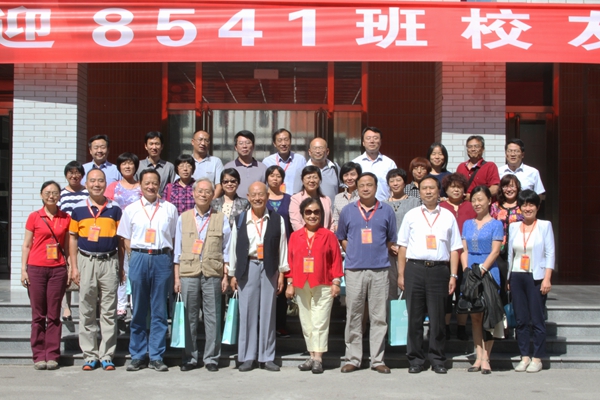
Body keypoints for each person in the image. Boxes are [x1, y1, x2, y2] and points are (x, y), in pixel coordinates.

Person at [397, 175, 461, 374]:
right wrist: (401, 274)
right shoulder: (412, 215)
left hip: (439, 270)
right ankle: (415, 359)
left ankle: (437, 359)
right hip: (414, 269)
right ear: (420, 192)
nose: (428, 191)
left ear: (438, 191)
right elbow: (402, 247)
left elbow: (455, 249)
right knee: (414, 318)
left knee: (438, 318)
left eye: (432, 188)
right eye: (424, 188)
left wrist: (453, 275)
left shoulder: (448, 216)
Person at [117, 169, 178, 372]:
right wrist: (134, 257)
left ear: (160, 185)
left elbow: (174, 237)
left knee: (159, 310)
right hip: (139, 257)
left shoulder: (169, 209)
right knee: (139, 310)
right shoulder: (131, 209)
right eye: (147, 183)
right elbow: (125, 237)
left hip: (162, 258)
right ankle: (137, 355)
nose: (151, 186)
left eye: (154, 183)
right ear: (140, 185)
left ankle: (156, 356)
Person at [336, 172, 397, 374]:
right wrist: (354, 252)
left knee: (379, 316)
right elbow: (342, 237)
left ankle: (377, 359)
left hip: (380, 269)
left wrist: (376, 252)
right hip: (354, 269)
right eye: (361, 185)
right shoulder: (348, 210)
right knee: (354, 314)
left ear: (376, 187)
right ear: (357, 187)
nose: (365, 188)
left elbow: (391, 238)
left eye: (369, 185)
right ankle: (353, 358)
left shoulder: (386, 210)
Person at [228, 182, 289, 372]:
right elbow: (233, 246)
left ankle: (267, 356)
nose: (257, 198)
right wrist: (232, 273)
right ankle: (247, 356)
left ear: (267, 196)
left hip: (270, 267)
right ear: (248, 196)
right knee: (247, 312)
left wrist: (282, 273)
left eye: (261, 194)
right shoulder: (240, 219)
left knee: (268, 313)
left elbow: (282, 247)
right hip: (247, 266)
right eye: (253, 195)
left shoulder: (277, 219)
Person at [173, 178, 231, 372]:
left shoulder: (221, 218)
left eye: (207, 191)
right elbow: (177, 250)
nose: (203, 195)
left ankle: (211, 358)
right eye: (200, 191)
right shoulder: (183, 218)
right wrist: (176, 278)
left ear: (213, 195)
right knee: (189, 316)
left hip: (212, 271)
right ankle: (189, 357)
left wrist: (226, 275)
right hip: (188, 272)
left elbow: (227, 249)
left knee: (213, 316)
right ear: (193, 193)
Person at [69, 169, 124, 371]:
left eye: (100, 181)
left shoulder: (115, 208)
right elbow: (73, 238)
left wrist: (121, 266)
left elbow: (121, 241)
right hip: (86, 261)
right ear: (86, 184)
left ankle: (107, 355)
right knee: (87, 309)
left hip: (109, 261)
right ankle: (90, 355)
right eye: (92, 181)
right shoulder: (78, 209)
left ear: (105, 183)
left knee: (109, 310)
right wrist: (74, 267)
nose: (96, 184)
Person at [285, 197, 344, 374]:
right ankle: (311, 355)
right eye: (308, 212)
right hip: (301, 283)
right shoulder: (295, 236)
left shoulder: (329, 235)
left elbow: (336, 260)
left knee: (320, 321)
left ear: (321, 214)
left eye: (316, 212)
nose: (312, 215)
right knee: (306, 321)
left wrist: (336, 282)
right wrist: (290, 283)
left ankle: (318, 358)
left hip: (323, 283)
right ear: (302, 215)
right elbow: (290, 261)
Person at [21, 181, 71, 370]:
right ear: (41, 194)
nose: (51, 196)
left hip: (57, 269)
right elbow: (26, 244)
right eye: (48, 192)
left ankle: (52, 355)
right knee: (38, 315)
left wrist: (70, 268)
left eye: (55, 192)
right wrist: (23, 269)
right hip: (36, 269)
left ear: (60, 195)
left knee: (54, 314)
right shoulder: (34, 217)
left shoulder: (65, 217)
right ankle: (38, 355)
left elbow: (67, 247)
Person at [507, 190, 555, 373]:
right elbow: (511, 254)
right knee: (521, 319)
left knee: (537, 319)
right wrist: (509, 278)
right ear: (520, 208)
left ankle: (537, 358)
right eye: (524, 205)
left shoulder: (544, 225)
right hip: (517, 275)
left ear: (537, 207)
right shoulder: (514, 226)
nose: (527, 208)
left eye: (531, 205)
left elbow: (550, 253)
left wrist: (547, 278)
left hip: (536, 277)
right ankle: (524, 356)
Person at [461, 185, 504, 375]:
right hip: (471, 272)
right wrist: (466, 270)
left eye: (480, 199)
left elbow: (496, 251)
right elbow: (464, 250)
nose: (477, 203)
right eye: (474, 200)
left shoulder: (496, 224)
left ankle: (487, 357)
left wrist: (483, 269)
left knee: (489, 313)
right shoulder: (467, 224)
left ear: (489, 201)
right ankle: (478, 356)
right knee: (475, 315)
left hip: (489, 271)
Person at [104, 152, 142, 321]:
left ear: (136, 166)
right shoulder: (113, 186)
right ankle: (121, 305)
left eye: (130, 163)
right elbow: (106, 207)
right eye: (124, 163)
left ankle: (134, 302)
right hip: (118, 232)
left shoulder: (141, 186)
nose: (127, 166)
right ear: (119, 167)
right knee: (121, 268)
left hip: (138, 234)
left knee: (134, 268)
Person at [439, 173, 476, 341]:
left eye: (459, 187)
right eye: (452, 187)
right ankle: (445, 326)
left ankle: (461, 327)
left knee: (464, 292)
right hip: (445, 257)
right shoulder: (440, 207)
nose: (456, 190)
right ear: (446, 189)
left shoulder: (471, 206)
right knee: (446, 294)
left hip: (467, 256)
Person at [57, 161, 88, 322]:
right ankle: (66, 308)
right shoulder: (61, 194)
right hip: (65, 238)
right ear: (66, 175)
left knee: (83, 273)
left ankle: (85, 308)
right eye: (71, 172)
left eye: (77, 172)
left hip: (84, 238)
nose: (74, 175)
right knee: (65, 272)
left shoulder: (88, 193)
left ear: (82, 175)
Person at [265, 165, 293, 338]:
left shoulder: (289, 199)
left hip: (285, 247)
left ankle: (281, 325)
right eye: (272, 175)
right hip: (265, 248)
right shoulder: (262, 197)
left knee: (281, 288)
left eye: (278, 176)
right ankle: (266, 326)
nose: (275, 178)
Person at [384, 168, 419, 301]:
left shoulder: (414, 202)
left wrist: (404, 247)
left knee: (407, 285)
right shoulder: (383, 204)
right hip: (389, 251)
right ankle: (391, 313)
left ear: (404, 182)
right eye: (392, 181)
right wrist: (390, 245)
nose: (395, 183)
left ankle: (408, 313)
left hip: (409, 251)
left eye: (398, 180)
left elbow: (417, 226)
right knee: (390, 285)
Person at [490, 175, 524, 304]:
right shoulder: (495, 206)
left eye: (512, 186)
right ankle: (502, 309)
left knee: (516, 280)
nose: (509, 189)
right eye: (505, 186)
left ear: (518, 187)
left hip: (519, 249)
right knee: (502, 279)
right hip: (500, 250)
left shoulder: (522, 206)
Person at [352, 127, 397, 201]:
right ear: (363, 142)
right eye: (368, 138)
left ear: (380, 142)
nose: (372, 141)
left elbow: (395, 186)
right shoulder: (355, 163)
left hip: (384, 204)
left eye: (375, 138)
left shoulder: (389, 163)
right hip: (360, 205)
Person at [294, 138, 340, 206]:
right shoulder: (301, 171)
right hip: (310, 211)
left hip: (331, 212)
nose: (318, 151)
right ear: (309, 152)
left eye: (321, 148)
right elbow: (296, 196)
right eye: (315, 148)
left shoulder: (335, 169)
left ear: (327, 151)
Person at [224, 130, 267, 199]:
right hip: (234, 205)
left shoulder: (263, 168)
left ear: (253, 146)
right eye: (241, 143)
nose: (244, 146)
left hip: (256, 204)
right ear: (236, 147)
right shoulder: (228, 168)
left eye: (248, 143)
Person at [262, 128, 307, 195]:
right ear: (274, 144)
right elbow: (264, 183)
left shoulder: (300, 160)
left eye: (286, 140)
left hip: (295, 198)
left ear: (290, 141)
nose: (283, 143)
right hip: (275, 198)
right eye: (279, 140)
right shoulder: (267, 161)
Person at [290, 166, 333, 231]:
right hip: (304, 236)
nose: (312, 180)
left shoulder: (326, 200)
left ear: (320, 180)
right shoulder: (296, 199)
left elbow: (331, 223)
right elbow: (296, 223)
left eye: (315, 177)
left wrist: (329, 235)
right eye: (308, 177)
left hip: (325, 236)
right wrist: (308, 235)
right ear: (302, 180)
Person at [456, 135, 500, 200]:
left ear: (483, 149)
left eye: (476, 146)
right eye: (470, 147)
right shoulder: (461, 166)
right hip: (463, 204)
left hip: (481, 204)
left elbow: (495, 188)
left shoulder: (490, 166)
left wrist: (474, 197)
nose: (473, 149)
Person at [191, 130, 224, 198]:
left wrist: (210, 201)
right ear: (193, 142)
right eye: (200, 140)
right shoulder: (186, 162)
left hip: (209, 201)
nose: (203, 143)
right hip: (188, 201)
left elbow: (219, 186)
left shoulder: (215, 161)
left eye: (206, 140)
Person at [332, 162, 362, 231]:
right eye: (346, 175)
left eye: (353, 174)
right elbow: (336, 219)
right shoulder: (338, 197)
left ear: (359, 176)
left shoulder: (363, 196)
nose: (349, 178)